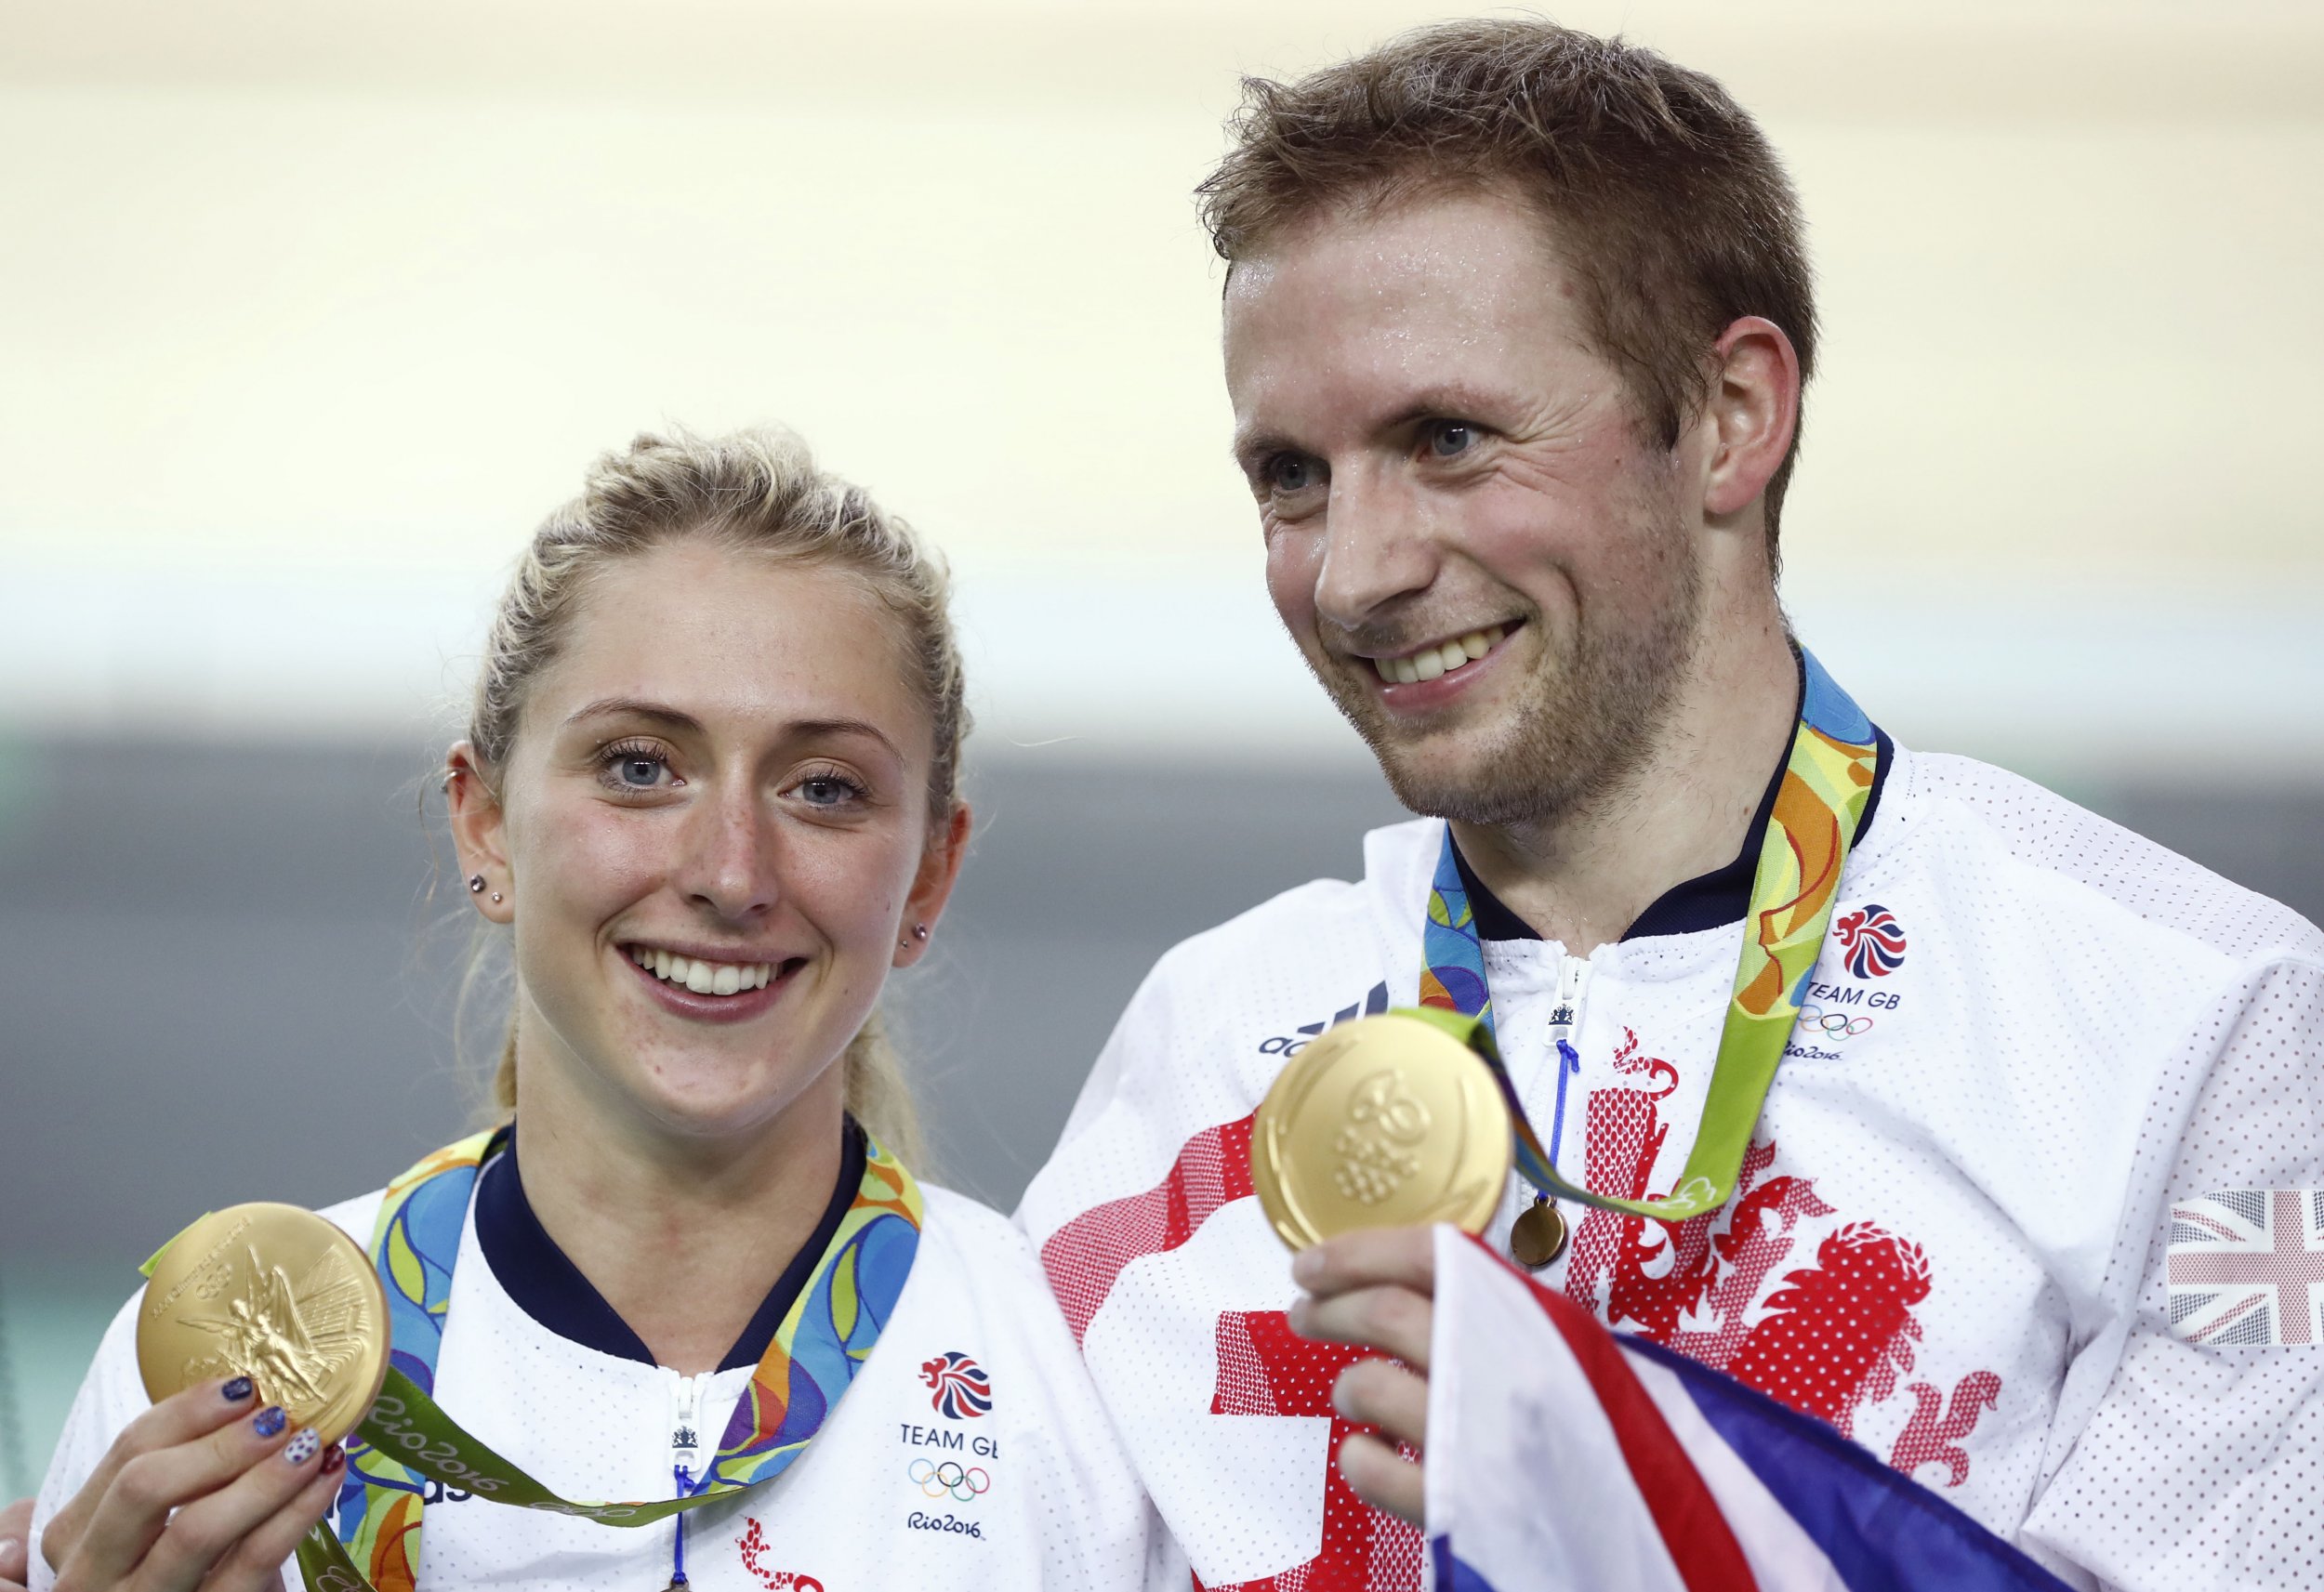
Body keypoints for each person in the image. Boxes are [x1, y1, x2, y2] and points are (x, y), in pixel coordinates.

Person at [1017, 20, 2324, 1591]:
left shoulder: (2203, 1030)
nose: (1355, 570)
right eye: (1292, 474)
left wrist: (1616, 1470)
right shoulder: (1207, 1043)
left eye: (1448, 439)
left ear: (1728, 415)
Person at [28, 428, 1169, 1590]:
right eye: (638, 766)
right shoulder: (225, 1375)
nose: (732, 872)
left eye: (824, 789)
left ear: (929, 874)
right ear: (484, 825)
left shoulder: (1085, 1396)